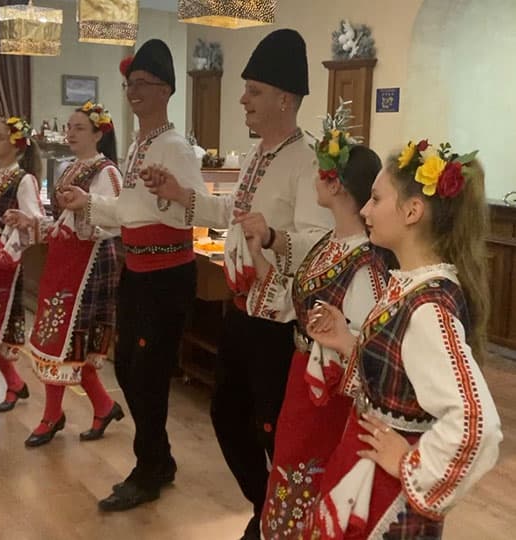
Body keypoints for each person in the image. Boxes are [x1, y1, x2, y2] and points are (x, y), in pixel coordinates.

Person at [143, 29, 332, 540]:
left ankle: (283, 518)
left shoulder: (308, 159)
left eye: (253, 90)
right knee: (227, 416)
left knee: (271, 425)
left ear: (284, 98)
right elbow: (230, 212)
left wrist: (272, 235)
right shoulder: (255, 155)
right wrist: (181, 193)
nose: (243, 99)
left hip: (279, 323)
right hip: (241, 310)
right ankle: (266, 504)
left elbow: (320, 239)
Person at [304, 140, 502, 539]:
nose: (364, 210)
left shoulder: (428, 307)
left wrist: (411, 463)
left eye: (376, 199)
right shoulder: (412, 289)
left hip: (388, 494)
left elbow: (476, 423)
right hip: (369, 469)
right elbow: (400, 380)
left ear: (413, 211)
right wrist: (348, 341)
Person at [60, 39, 208, 512]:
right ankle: (158, 459)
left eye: (143, 83)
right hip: (139, 270)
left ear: (166, 89)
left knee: (146, 374)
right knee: (128, 367)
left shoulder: (176, 147)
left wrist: (169, 196)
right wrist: (90, 204)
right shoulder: (141, 143)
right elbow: (128, 209)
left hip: (166, 274)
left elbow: (194, 210)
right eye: (130, 84)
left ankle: (149, 468)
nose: (133, 91)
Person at [241, 116, 391, 539]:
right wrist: (258, 253)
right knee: (288, 472)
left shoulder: (366, 263)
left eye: (322, 171)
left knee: (310, 479)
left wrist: (338, 344)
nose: (315, 178)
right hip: (302, 378)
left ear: (336, 184)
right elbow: (291, 302)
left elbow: (366, 350)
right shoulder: (330, 243)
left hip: (329, 397)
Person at [3, 102, 123, 447]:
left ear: (99, 133)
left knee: (63, 338)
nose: (70, 133)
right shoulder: (69, 169)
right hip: (64, 260)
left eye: (79, 128)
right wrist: (30, 223)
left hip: (88, 264)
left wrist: (82, 213)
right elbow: (62, 224)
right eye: (69, 127)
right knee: (60, 338)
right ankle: (103, 405)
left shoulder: (107, 172)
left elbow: (111, 222)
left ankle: (52, 415)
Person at [0, 117, 43, 413]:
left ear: (16, 145)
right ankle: (15, 383)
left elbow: (35, 221)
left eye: (0, 137)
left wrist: (19, 222)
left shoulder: (23, 179)